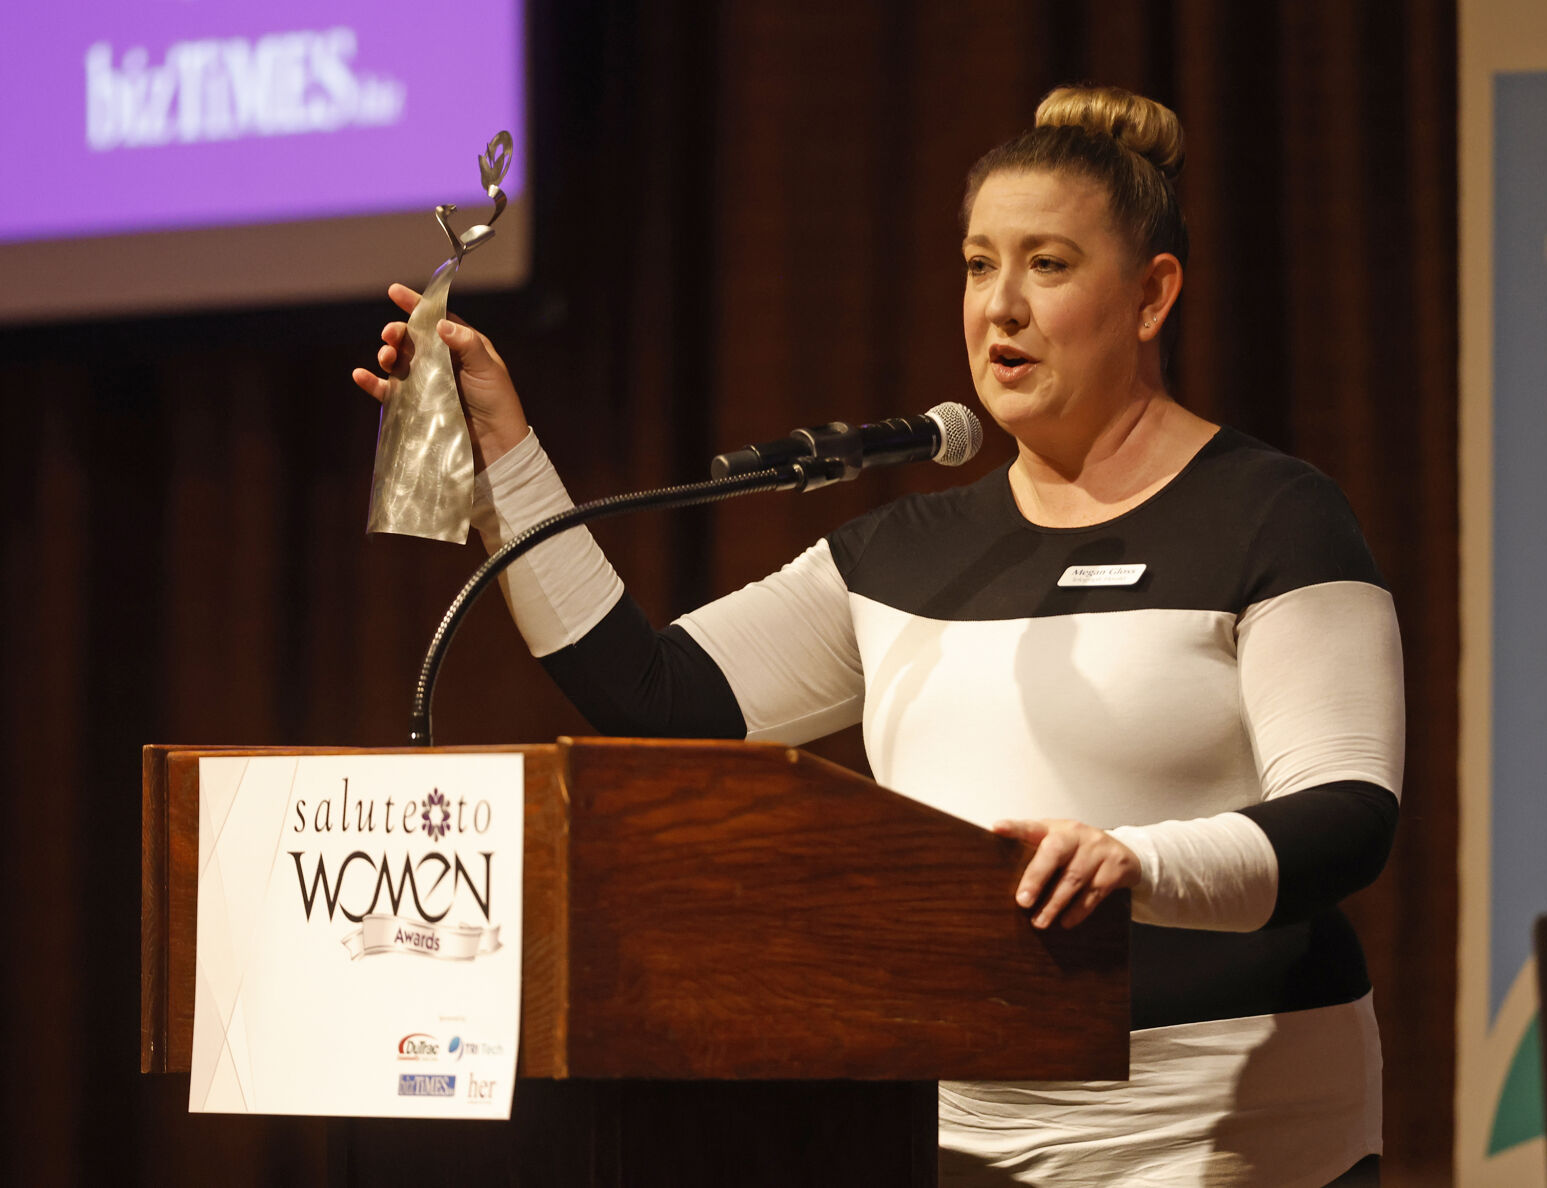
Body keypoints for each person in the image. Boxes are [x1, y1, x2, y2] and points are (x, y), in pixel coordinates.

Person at [355, 84, 1404, 1188]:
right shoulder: (899, 554)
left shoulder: (1274, 516)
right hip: (950, 1128)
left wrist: (1135, 861)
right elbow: (658, 698)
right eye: (977, 265)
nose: (1000, 306)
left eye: (1047, 265)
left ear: (1152, 296)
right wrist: (505, 469)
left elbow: (1347, 817)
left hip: (1222, 1130)